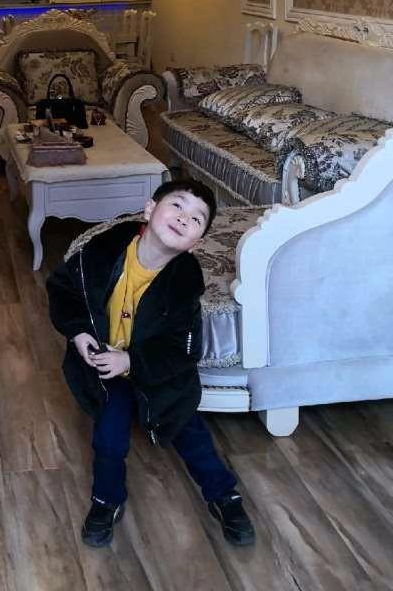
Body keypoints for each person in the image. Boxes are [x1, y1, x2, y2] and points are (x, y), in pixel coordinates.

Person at [46, 178, 255, 549]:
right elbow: (63, 288)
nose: (184, 218)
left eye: (196, 218)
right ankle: (106, 500)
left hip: (158, 374)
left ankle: (224, 495)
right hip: (106, 368)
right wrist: (78, 331)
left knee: (190, 432)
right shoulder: (103, 249)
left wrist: (130, 359)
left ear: (196, 243)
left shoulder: (185, 283)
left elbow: (183, 350)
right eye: (177, 205)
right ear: (149, 209)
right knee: (109, 437)